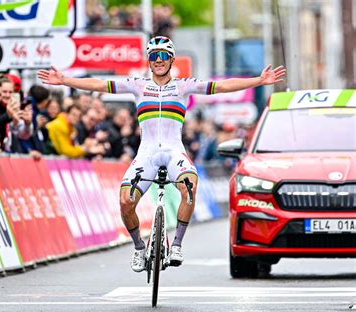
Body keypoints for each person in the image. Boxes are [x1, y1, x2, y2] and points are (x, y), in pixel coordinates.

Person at [37, 36, 286, 272]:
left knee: (189, 186)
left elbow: (220, 86)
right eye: (154, 55)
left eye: (163, 55)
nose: (158, 59)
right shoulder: (137, 85)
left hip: (174, 151)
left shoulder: (183, 85)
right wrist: (65, 80)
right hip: (146, 154)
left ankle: (176, 245)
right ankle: (138, 247)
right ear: (149, 60)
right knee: (125, 202)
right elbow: (99, 84)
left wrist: (258, 80)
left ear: (171, 60)